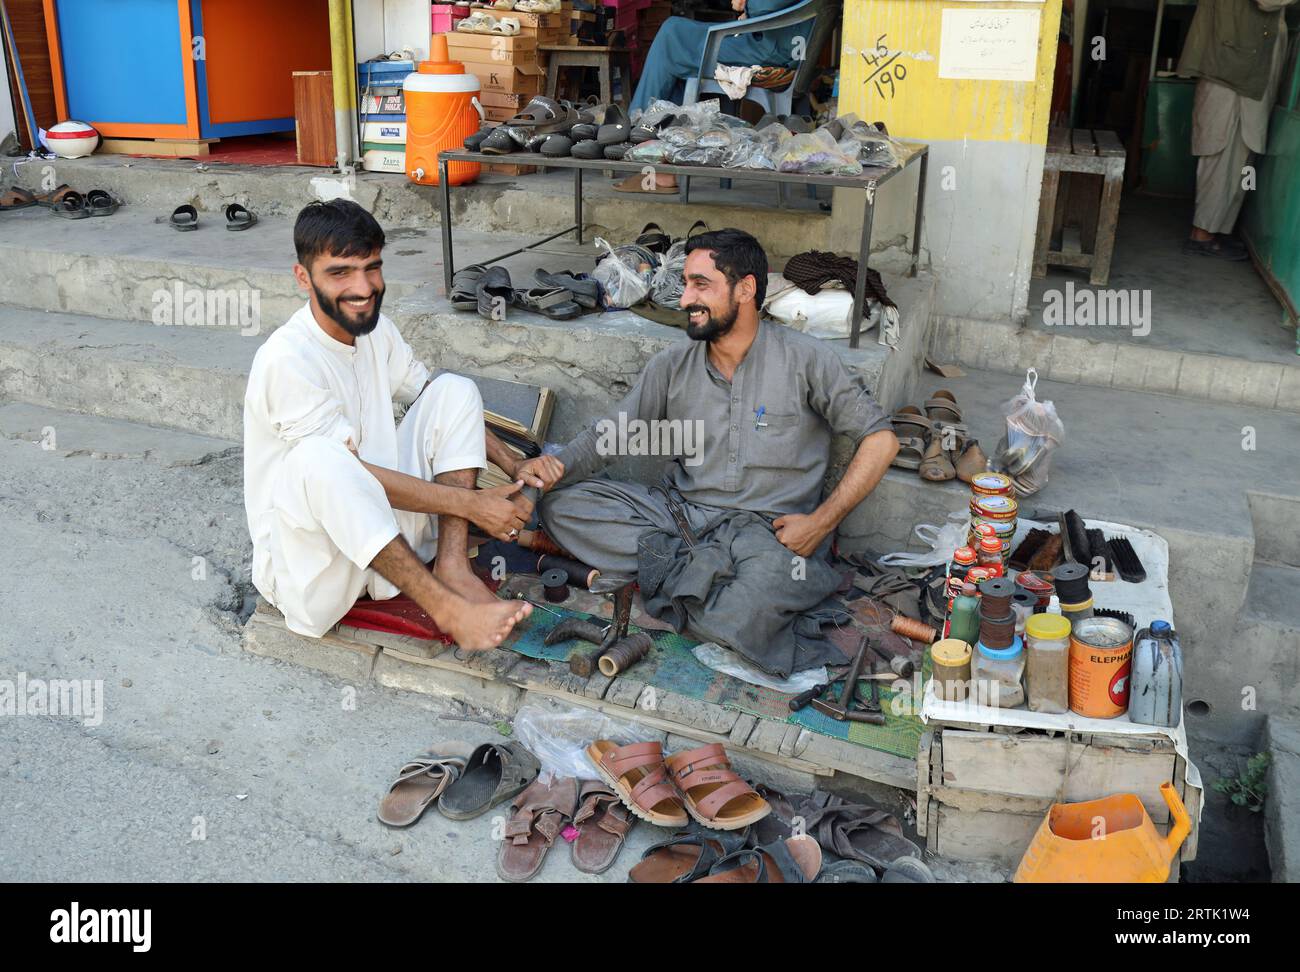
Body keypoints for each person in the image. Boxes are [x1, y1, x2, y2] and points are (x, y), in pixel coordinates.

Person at [518, 229, 899, 676]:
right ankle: (697, 579)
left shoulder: (806, 360)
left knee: (752, 608)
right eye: (685, 285)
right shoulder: (672, 364)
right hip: (679, 519)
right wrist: (553, 467)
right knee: (563, 505)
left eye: (701, 285)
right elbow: (613, 435)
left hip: (767, 535)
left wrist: (820, 523)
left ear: (746, 289)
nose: (684, 300)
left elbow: (882, 440)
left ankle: (684, 581)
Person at [243, 199, 537, 650]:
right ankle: (447, 609)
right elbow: (348, 476)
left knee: (452, 389)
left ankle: (452, 565)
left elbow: (432, 398)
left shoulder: (374, 330)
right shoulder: (286, 359)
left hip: (389, 540)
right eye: (340, 272)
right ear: (304, 278)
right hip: (313, 571)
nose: (363, 288)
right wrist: (473, 505)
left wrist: (513, 463)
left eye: (371, 268)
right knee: (323, 457)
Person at [618, 0, 812, 193]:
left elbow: (766, 5)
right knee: (677, 47)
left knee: (672, 36)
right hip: (780, 39)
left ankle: (639, 140)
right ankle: (657, 155)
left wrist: (747, 3)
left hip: (772, 46)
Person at [1177, 0, 1295, 259]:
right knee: (1221, 152)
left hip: (1242, 71)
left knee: (1238, 156)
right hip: (1232, 72)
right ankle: (1202, 234)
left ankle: (1215, 230)